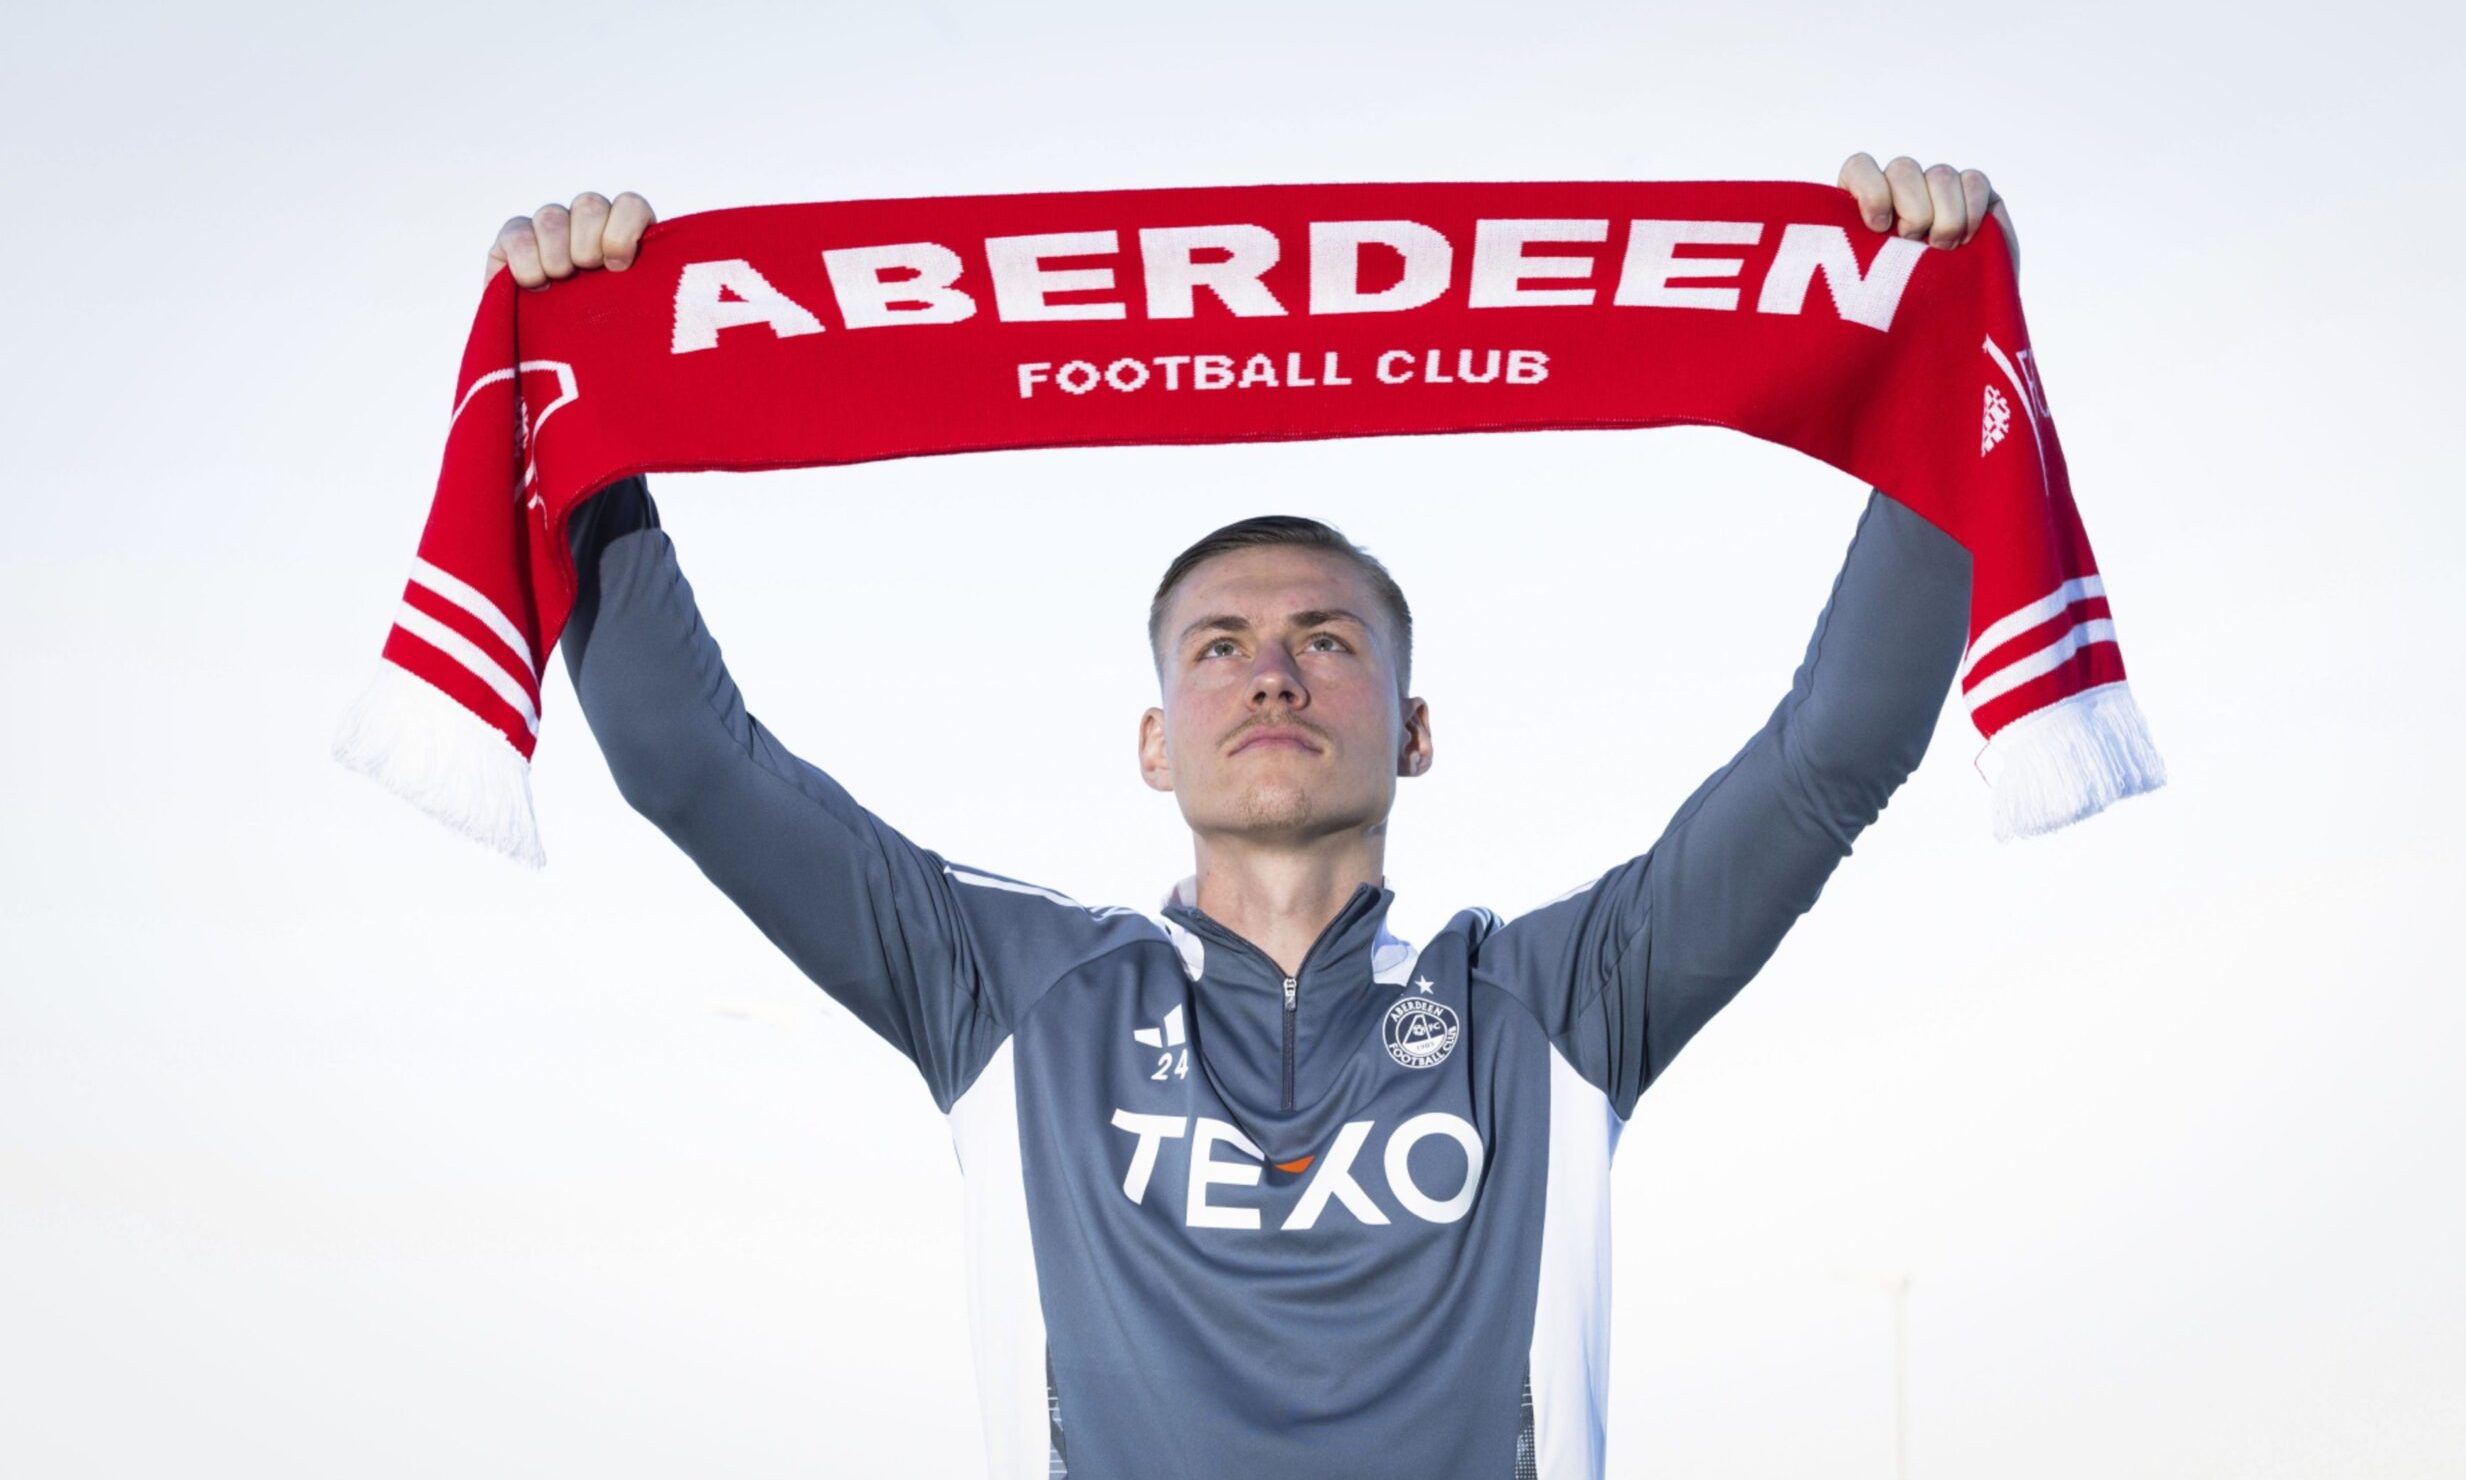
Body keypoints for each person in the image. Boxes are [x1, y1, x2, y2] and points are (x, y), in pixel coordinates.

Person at [492, 153, 1999, 1480]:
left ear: (1414, 730)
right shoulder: (1015, 991)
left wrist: (1931, 354)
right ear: (1155, 742)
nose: (1271, 671)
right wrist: (600, 411)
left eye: (1327, 639)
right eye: (1218, 645)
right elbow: (689, 760)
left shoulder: (1548, 1003)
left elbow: (1839, 748)